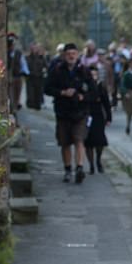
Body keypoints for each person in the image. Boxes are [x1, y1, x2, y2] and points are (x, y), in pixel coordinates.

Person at [44, 43, 91, 183]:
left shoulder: (84, 71)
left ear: (77, 55)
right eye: (69, 54)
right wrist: (62, 92)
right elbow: (47, 88)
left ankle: (80, 168)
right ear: (64, 56)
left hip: (80, 112)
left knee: (79, 139)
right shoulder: (57, 70)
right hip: (63, 112)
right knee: (65, 142)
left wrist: (83, 96)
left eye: (74, 54)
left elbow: (93, 91)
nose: (71, 56)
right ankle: (67, 169)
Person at [84, 64, 111, 175]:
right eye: (91, 74)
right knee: (88, 141)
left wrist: (109, 117)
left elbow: (106, 103)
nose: (93, 76)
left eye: (95, 74)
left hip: (98, 115)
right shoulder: (84, 86)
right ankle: (91, 165)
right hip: (86, 114)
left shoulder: (100, 86)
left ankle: (98, 161)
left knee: (99, 141)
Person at [25, 42, 48, 110]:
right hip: (30, 77)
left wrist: (45, 72)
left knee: (38, 92)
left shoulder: (41, 58)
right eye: (33, 48)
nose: (34, 50)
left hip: (39, 77)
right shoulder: (27, 57)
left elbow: (46, 66)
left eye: (35, 48)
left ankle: (38, 104)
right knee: (30, 92)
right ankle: (30, 104)